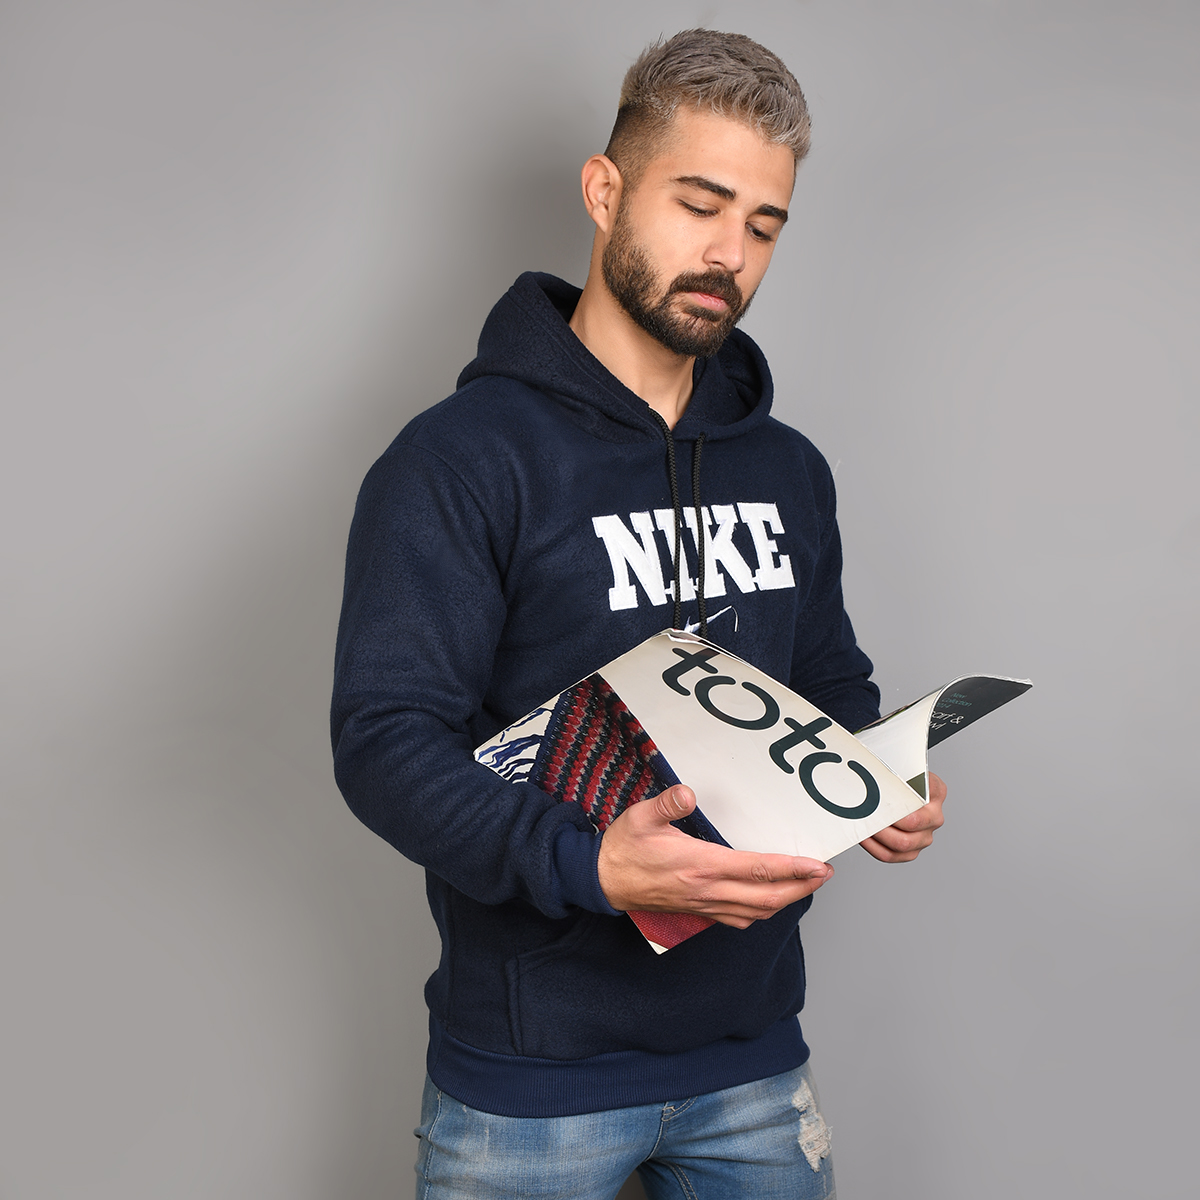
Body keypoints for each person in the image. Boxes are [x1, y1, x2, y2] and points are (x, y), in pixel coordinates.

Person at [332, 29, 945, 1199]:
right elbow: (385, 742)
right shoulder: (459, 461)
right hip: (530, 1083)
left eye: (763, 225)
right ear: (605, 191)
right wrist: (591, 865)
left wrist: (874, 773)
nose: (729, 254)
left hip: (753, 1061)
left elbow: (825, 675)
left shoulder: (789, 468)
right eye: (699, 205)